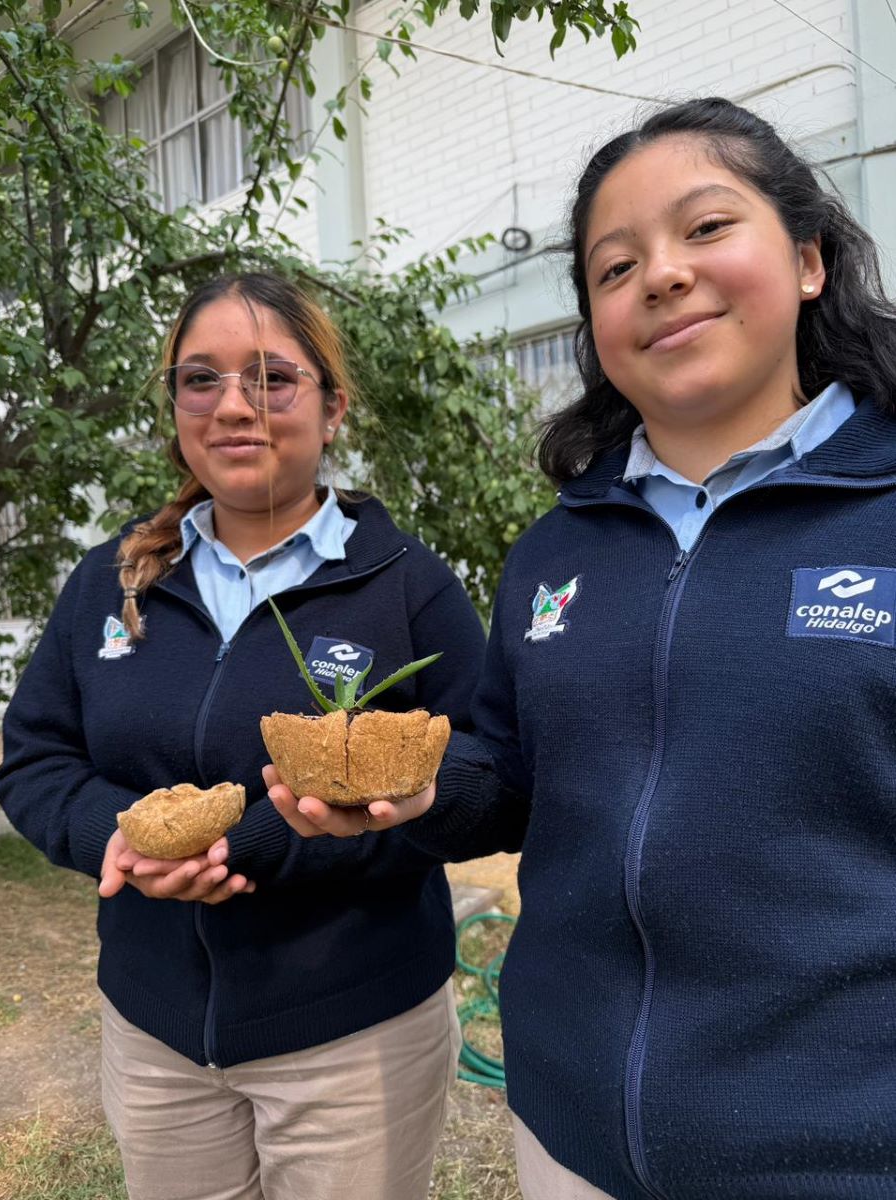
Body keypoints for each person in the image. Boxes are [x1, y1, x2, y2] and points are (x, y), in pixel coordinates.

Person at [265, 99, 896, 1200]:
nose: (660, 276)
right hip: (570, 1135)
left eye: (705, 230)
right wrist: (415, 794)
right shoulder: (557, 552)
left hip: (840, 1154)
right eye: (615, 267)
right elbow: (508, 775)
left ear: (807, 259)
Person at [0, 271, 487, 1200]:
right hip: (154, 1034)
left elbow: (488, 768)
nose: (233, 407)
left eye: (272, 378)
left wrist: (264, 835)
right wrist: (122, 834)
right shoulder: (111, 583)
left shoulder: (405, 585)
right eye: (201, 379)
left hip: (350, 1032)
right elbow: (36, 758)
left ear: (333, 408)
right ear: (175, 405)